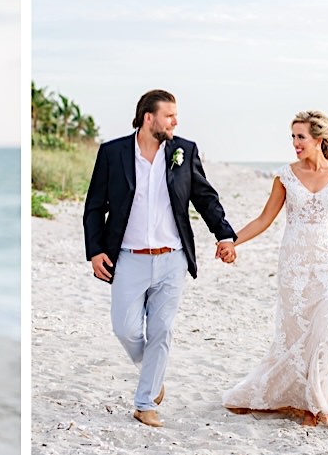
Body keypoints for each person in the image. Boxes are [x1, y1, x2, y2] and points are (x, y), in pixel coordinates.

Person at [82, 89, 237, 428]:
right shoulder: (113, 153)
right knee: (124, 329)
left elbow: (204, 197)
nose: (175, 122)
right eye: (169, 115)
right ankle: (153, 372)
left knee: (162, 330)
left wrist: (224, 234)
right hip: (127, 257)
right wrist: (95, 250)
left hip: (173, 259)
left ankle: (145, 402)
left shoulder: (184, 150)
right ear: (148, 117)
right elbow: (95, 205)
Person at [221, 111, 328, 428]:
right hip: (294, 266)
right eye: (293, 137)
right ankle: (300, 401)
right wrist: (233, 241)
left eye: (300, 137)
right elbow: (264, 219)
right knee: (296, 335)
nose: (295, 143)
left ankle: (320, 403)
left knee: (326, 334)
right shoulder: (285, 176)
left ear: (318, 139)